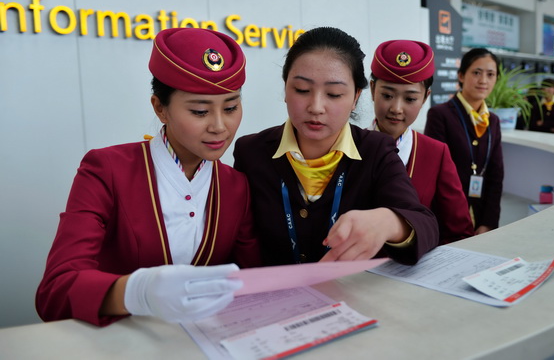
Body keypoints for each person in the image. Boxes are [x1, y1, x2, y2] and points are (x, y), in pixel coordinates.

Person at [36, 28, 261, 327]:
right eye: (199, 111)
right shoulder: (107, 170)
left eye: (231, 107)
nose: (220, 126)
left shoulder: (236, 186)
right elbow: (55, 292)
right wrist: (136, 293)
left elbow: (252, 284)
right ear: (160, 109)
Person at [233, 27, 439, 266]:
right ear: (286, 88)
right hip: (276, 296)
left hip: (350, 295)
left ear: (355, 97)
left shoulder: (376, 150)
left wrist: (389, 221)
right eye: (302, 90)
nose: (316, 107)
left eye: (333, 94)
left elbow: (426, 223)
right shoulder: (252, 151)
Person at [368, 39, 473, 244]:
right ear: (372, 90)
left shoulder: (435, 153)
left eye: (410, 99)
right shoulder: (350, 147)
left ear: (425, 97)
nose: (396, 108)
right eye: (387, 95)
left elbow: (460, 232)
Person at [424, 48, 504, 235]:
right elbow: (436, 176)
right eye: (476, 73)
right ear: (461, 75)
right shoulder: (440, 115)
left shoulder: (493, 121)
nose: (483, 80)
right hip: (447, 219)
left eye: (490, 74)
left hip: (481, 216)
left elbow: (496, 176)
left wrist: (488, 223)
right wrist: (459, 225)